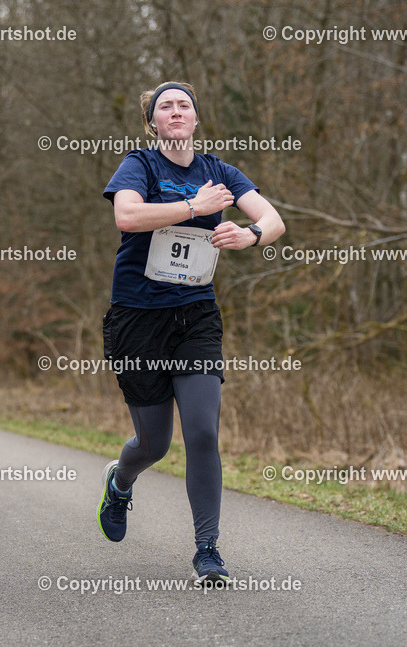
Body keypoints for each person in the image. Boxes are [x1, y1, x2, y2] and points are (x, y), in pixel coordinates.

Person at [98, 82, 285, 583]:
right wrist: (193, 210)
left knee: (202, 430)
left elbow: (273, 219)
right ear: (153, 123)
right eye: (166, 107)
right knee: (154, 444)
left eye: (184, 105)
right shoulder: (140, 164)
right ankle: (120, 482)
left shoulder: (220, 171)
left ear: (196, 120)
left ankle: (208, 550)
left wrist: (248, 235)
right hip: (137, 317)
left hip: (195, 315)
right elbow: (127, 215)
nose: (176, 112)